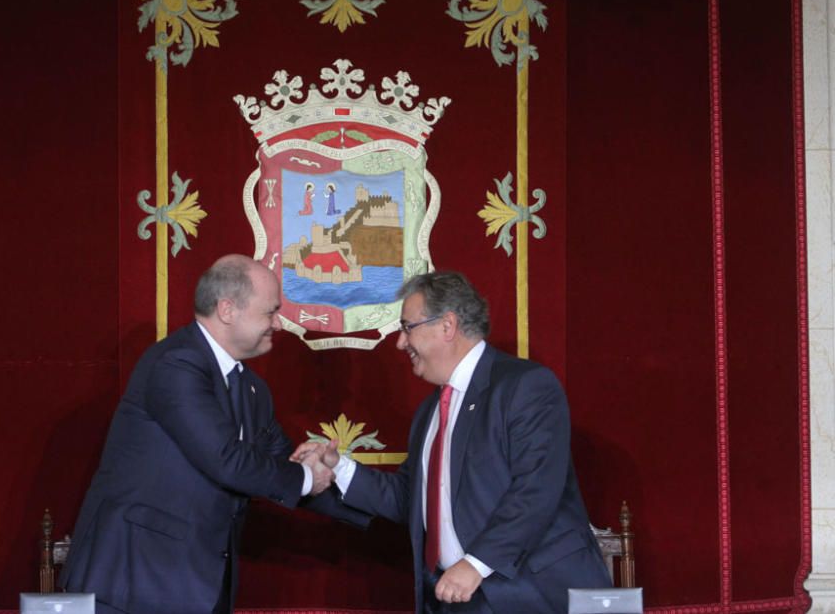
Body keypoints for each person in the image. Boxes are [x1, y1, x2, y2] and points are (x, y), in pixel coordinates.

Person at [61, 254, 368, 614]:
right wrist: (305, 475)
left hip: (196, 583)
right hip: (135, 580)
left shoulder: (253, 389)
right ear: (227, 310)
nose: (279, 324)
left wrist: (373, 502)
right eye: (270, 312)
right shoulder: (175, 364)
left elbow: (282, 466)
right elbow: (227, 460)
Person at [294, 271, 611, 614]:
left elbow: (536, 489)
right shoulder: (430, 410)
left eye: (407, 327)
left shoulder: (526, 386)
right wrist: (337, 466)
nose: (400, 342)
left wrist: (476, 564)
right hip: (456, 599)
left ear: (447, 326)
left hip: (530, 594)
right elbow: (408, 499)